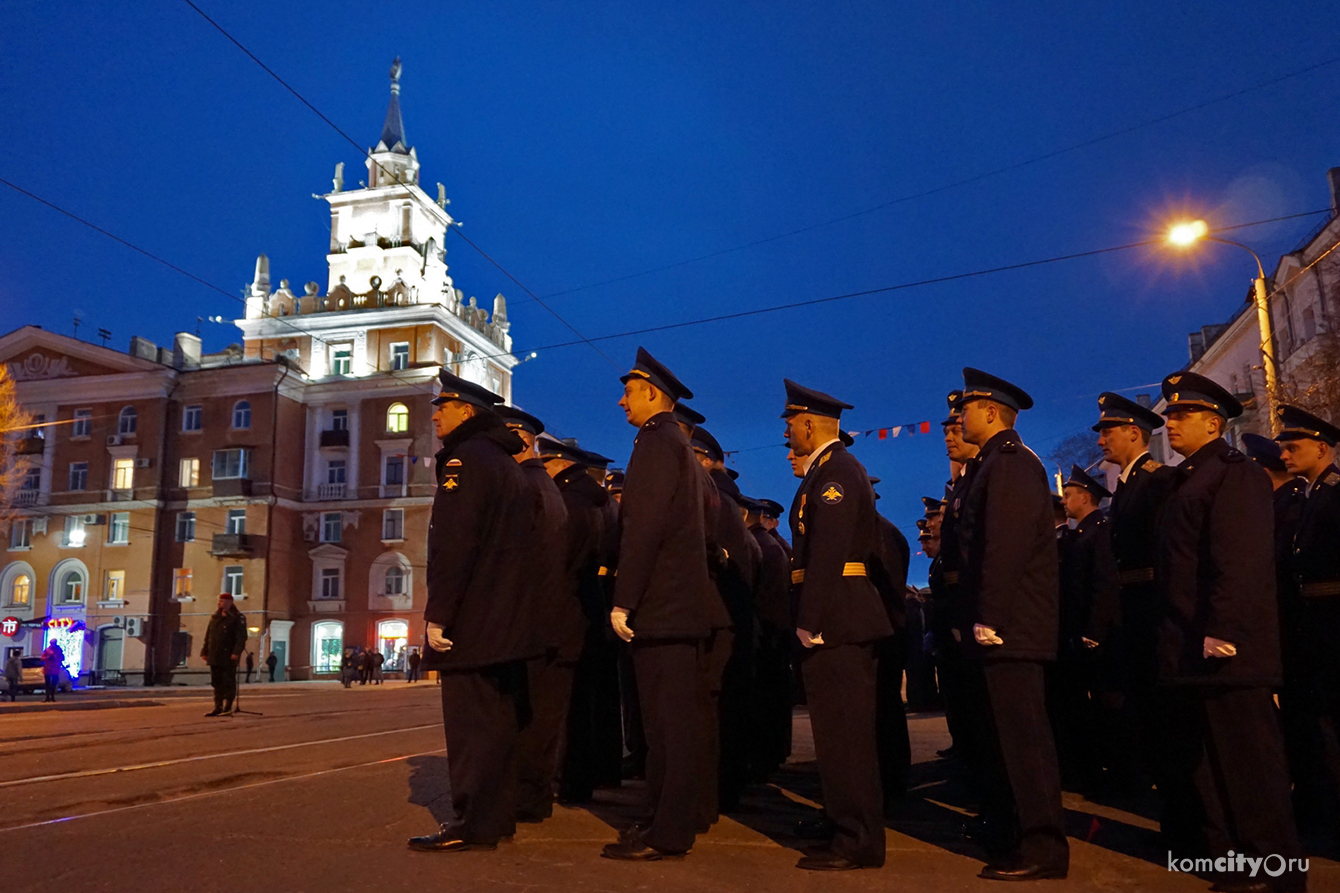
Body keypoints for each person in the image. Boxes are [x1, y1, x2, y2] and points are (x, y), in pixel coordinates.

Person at [1154, 373, 1303, 891]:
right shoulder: (1190, 476)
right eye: (1170, 415)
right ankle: (1237, 860)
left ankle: (1275, 869)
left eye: (1181, 416)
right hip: (1192, 641)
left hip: (1226, 644)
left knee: (1250, 764)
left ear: (1213, 423)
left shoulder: (1232, 474)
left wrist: (1222, 629)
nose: (1170, 423)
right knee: (1214, 763)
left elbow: (1237, 561)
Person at [601, 347, 725, 862]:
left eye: (629, 392)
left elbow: (643, 528)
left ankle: (667, 833)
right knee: (676, 726)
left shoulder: (655, 442)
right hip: (681, 607)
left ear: (652, 393)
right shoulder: (677, 444)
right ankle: (668, 819)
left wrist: (624, 600)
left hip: (664, 609)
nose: (622, 401)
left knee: (667, 729)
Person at [408, 369, 537, 855]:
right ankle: (495, 817)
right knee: (497, 723)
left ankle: (473, 822)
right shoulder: (503, 461)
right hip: (504, 616)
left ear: (467, 411)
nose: (436, 414)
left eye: (444, 406)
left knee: (470, 728)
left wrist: (440, 612)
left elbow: (456, 545)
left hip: (475, 619)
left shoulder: (465, 460)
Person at [954, 367, 1067, 881]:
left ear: (993, 411)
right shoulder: (989, 465)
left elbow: (1005, 546)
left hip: (1014, 627)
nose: (960, 415)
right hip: (1001, 626)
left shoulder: (1012, 463)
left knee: (1025, 742)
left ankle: (1043, 846)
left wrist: (991, 616)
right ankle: (1012, 830)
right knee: (1004, 739)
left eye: (968, 407)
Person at [782, 378, 890, 871]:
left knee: (846, 738)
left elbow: (827, 550)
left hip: (837, 618)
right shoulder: (828, 468)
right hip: (835, 614)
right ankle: (843, 825)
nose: (787, 432)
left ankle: (857, 841)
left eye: (790, 423)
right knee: (836, 736)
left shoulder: (836, 472)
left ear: (808, 423)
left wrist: (811, 617)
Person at [1093, 391, 1178, 808]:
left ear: (1133, 433)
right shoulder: (1127, 484)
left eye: (1108, 431)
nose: (1100, 440)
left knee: (1161, 712)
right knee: (1141, 709)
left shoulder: (1157, 480)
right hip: (1132, 608)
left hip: (1150, 606)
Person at [537, 436, 623, 805]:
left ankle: (571, 779)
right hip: (597, 606)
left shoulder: (570, 502)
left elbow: (561, 560)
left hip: (571, 607)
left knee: (569, 704)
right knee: (596, 698)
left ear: (557, 464)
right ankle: (599, 770)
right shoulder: (602, 502)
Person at [499, 407, 574, 825]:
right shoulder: (543, 484)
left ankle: (526, 798)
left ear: (522, 440)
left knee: (528, 718)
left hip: (530, 619)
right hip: (549, 618)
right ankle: (533, 796)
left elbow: (519, 559)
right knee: (541, 718)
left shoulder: (525, 486)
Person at [1243, 431, 1315, 826]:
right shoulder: (1279, 503)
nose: (1287, 455)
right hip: (1288, 621)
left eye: (1293, 448)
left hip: (1305, 621)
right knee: (1297, 717)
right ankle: (1307, 796)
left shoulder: (1294, 502)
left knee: (1310, 717)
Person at [1275, 404, 1340, 844]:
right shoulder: (1312, 494)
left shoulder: (1335, 494)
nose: (1284, 455)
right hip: (1314, 625)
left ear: (1321, 447)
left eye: (1292, 446)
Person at [692, 425, 761, 816]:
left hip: (719, 622)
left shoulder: (716, 501)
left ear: (704, 459)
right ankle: (721, 789)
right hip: (729, 622)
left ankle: (714, 794)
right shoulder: (725, 502)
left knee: (714, 713)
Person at [1048, 464, 1120, 794]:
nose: (1065, 500)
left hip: (1096, 635)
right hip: (1078, 631)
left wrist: (1094, 628)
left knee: (1105, 704)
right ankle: (1089, 768)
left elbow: (1103, 583)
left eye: (1070, 494)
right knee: (1082, 705)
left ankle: (1113, 771)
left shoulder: (1099, 529)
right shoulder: (1081, 533)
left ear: (1086, 497)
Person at [741, 495, 794, 780]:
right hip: (774, 634)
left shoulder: (763, 545)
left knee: (764, 702)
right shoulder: (773, 544)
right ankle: (771, 754)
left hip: (767, 635)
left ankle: (764, 758)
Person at [871, 477, 912, 812]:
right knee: (886, 709)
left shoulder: (878, 532)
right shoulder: (887, 530)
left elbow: (884, 586)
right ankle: (892, 778)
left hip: (883, 631)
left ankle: (890, 781)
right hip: (888, 628)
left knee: (882, 710)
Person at [201, 593, 247, 716]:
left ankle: (228, 706)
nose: (219, 603)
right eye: (219, 601)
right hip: (215, 654)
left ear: (229, 602)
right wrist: (205, 651)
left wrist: (236, 652)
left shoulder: (237, 617)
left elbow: (241, 637)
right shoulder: (215, 617)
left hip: (228, 656)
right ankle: (218, 706)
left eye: (222, 601)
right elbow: (209, 636)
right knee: (216, 682)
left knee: (228, 680)